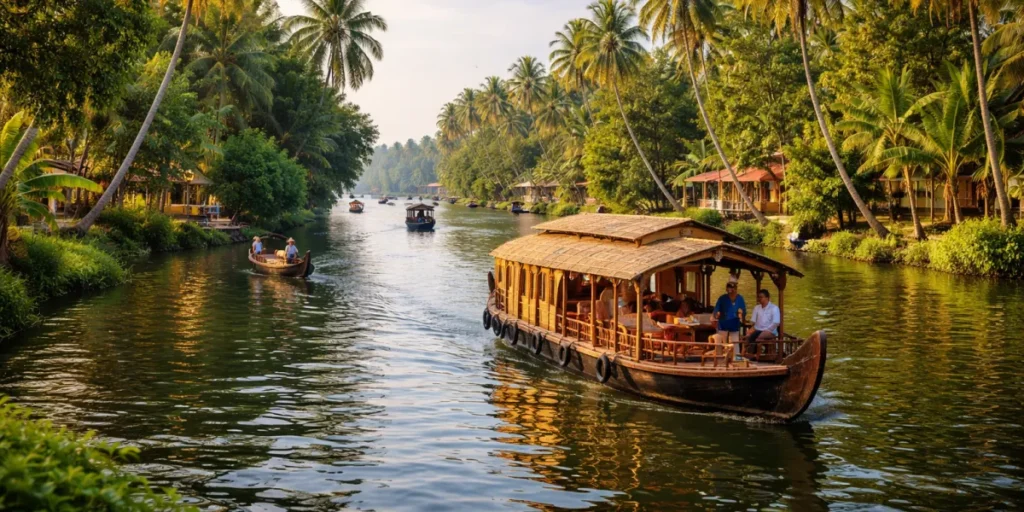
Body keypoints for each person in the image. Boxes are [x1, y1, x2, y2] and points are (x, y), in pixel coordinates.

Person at [745, 289, 780, 354]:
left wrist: (767, 330)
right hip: (758, 329)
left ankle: (758, 355)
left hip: (770, 330)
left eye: (761, 297)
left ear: (767, 298)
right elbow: (753, 321)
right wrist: (750, 330)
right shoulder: (756, 308)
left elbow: (776, 322)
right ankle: (750, 353)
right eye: (759, 297)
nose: (759, 299)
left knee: (758, 338)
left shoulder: (774, 308)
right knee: (748, 336)